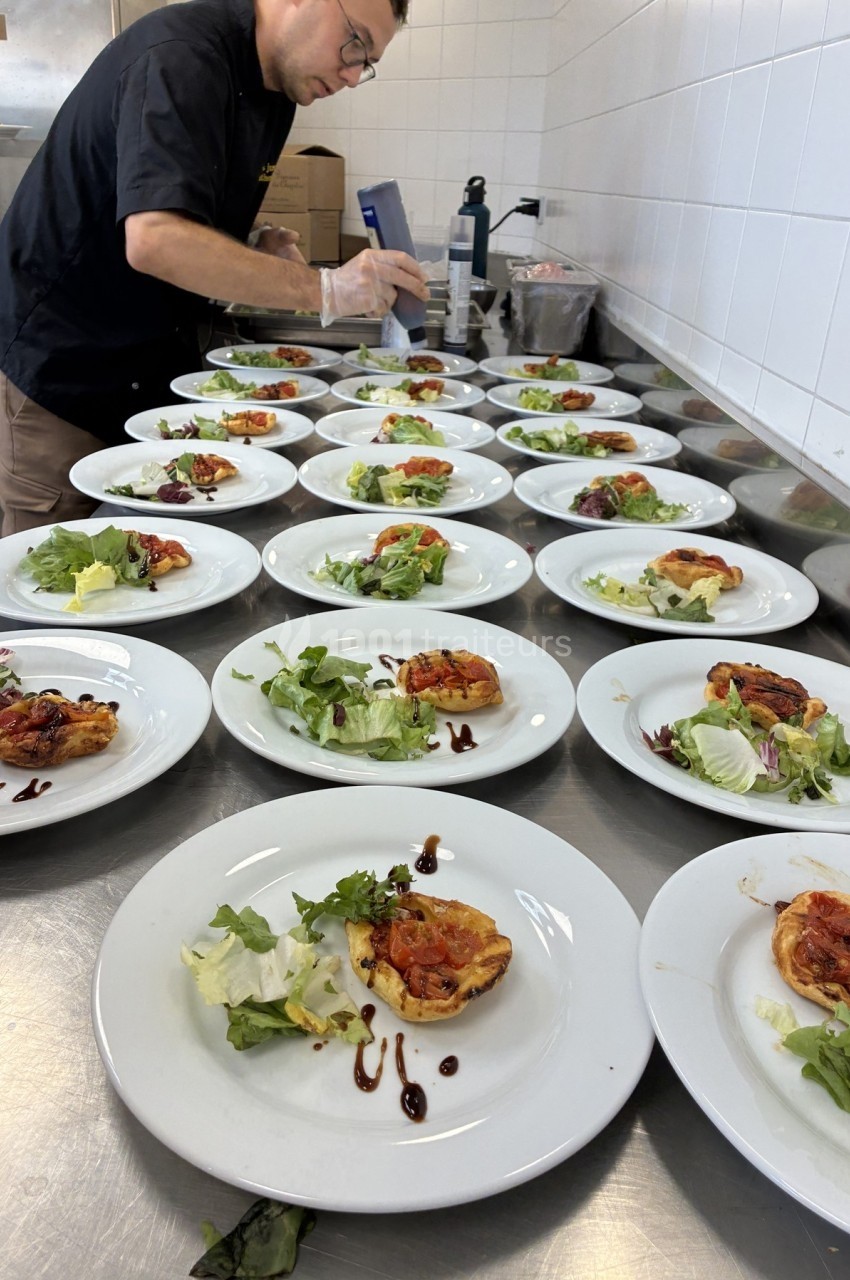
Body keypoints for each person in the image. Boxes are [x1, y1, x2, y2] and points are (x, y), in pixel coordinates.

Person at [0, 0, 428, 536]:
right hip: (67, 373)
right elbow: (155, 240)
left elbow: (186, 213)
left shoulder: (277, 90)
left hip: (151, 370)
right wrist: (327, 288)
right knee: (57, 577)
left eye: (366, 61)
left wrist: (250, 245)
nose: (351, 74)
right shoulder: (181, 56)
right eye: (354, 42)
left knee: (146, 563)